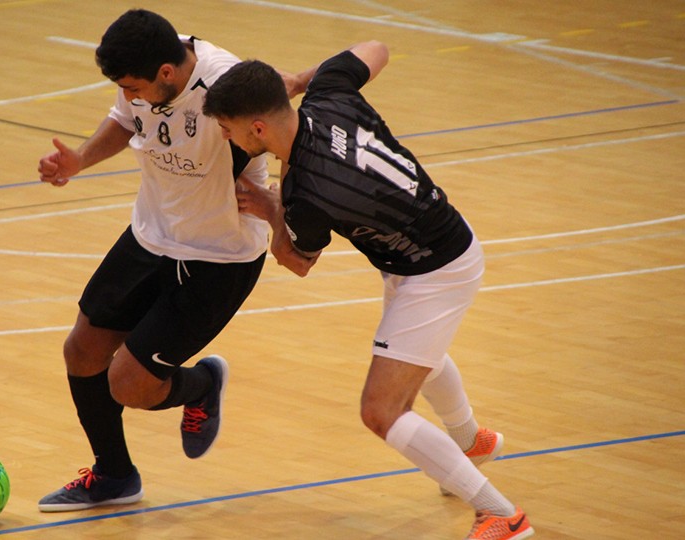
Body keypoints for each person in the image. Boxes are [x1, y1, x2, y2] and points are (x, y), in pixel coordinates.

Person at [202, 42, 534, 540]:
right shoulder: (330, 93)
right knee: (419, 357)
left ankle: (501, 516)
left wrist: (272, 210)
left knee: (382, 411)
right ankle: (470, 441)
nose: (225, 137)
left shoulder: (307, 196)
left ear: (257, 129)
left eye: (226, 129)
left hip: (434, 271)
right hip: (434, 242)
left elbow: (298, 261)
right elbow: (376, 48)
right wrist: (299, 81)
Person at [35, 9, 271, 512]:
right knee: (82, 351)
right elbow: (124, 121)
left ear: (168, 72)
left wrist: (282, 215)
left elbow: (283, 133)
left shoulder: (225, 85)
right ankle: (114, 476)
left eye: (135, 86)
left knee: (130, 385)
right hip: (151, 236)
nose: (130, 95)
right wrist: (79, 160)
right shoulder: (144, 75)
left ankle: (203, 383)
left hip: (218, 257)